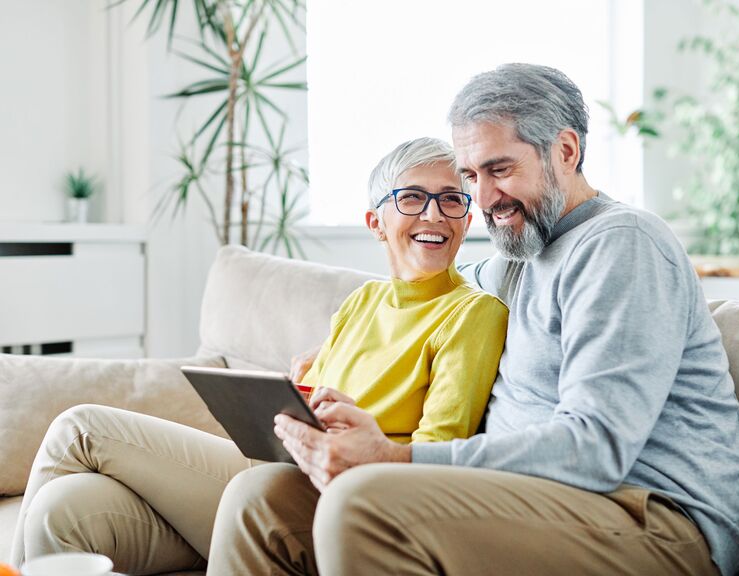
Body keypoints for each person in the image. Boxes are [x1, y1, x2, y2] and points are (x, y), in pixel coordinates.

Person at [231, 64, 739, 575]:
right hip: (530, 500)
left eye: (500, 170)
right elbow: (420, 292)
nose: (482, 199)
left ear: (566, 151)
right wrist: (334, 366)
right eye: (470, 175)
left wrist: (397, 457)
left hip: (655, 520)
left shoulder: (622, 245)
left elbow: (596, 448)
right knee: (264, 501)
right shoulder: (517, 257)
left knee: (362, 501)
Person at [10, 138, 508, 574]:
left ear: (466, 219)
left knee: (80, 427)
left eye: (451, 200)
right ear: (376, 222)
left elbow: (438, 455)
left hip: (313, 493)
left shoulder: (474, 313)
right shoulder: (362, 302)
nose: (434, 215)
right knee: (64, 507)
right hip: (264, 463)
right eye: (414, 198)